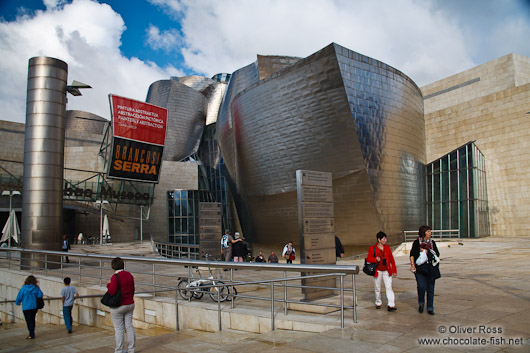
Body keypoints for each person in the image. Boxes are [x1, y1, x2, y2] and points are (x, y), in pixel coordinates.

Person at [410, 225, 440, 315]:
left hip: (431, 268)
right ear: (423, 233)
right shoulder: (416, 243)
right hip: (420, 269)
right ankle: (421, 303)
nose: (430, 233)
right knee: (421, 286)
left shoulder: (432, 243)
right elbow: (412, 255)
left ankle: (430, 307)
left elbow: (437, 254)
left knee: (431, 288)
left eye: (430, 231)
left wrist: (429, 251)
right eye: (428, 231)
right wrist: (413, 265)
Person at [107, 257, 135, 353]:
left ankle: (119, 350)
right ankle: (131, 349)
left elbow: (112, 291)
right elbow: (132, 290)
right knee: (129, 327)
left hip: (119, 305)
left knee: (119, 329)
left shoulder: (115, 277)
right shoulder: (129, 275)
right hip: (130, 304)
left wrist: (108, 285)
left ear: (113, 267)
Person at [366, 231, 397, 312]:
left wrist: (394, 270)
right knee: (377, 287)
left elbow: (391, 259)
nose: (385, 240)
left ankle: (391, 304)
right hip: (378, 271)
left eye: (385, 238)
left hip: (387, 270)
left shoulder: (387, 248)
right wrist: (375, 259)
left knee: (389, 287)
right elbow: (368, 259)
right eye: (384, 239)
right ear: (379, 239)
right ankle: (378, 302)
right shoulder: (372, 248)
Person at [15, 275, 43, 339]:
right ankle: (32, 332)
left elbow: (19, 296)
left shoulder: (24, 288)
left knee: (28, 321)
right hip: (34, 306)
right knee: (32, 320)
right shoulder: (36, 287)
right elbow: (40, 294)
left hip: (26, 307)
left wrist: (18, 303)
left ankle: (31, 334)